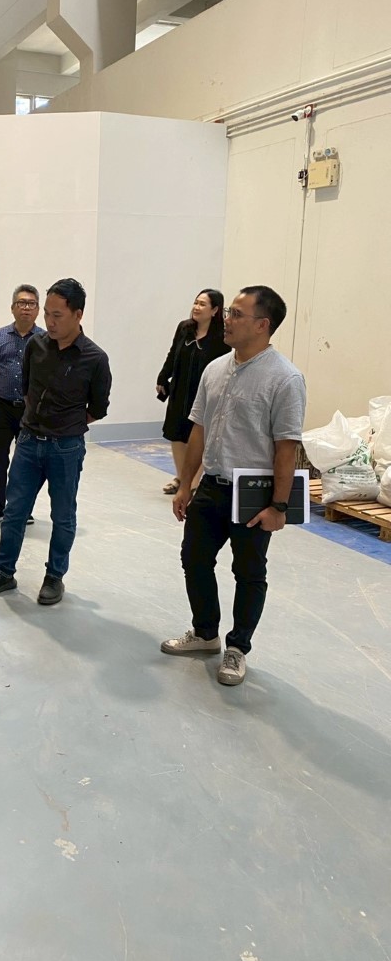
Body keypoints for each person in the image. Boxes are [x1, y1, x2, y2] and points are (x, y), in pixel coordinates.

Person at [161, 285, 306, 686]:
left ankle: (237, 647)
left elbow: (286, 449)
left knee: (249, 572)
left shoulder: (285, 378)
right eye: (229, 313)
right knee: (194, 558)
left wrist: (279, 506)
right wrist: (186, 484)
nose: (228, 319)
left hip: (254, 491)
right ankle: (205, 633)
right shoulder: (215, 369)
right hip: (212, 484)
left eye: (237, 314)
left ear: (262, 325)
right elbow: (198, 431)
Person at [0, 278, 112, 606]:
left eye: (57, 315)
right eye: (48, 315)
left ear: (78, 314)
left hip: (65, 448)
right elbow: (27, 389)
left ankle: (54, 577)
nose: (49, 322)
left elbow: (98, 408)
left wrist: (65, 425)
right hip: (28, 442)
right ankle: (3, 572)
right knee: (14, 511)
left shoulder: (95, 358)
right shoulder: (36, 347)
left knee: (63, 516)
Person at [0, 284, 43, 527]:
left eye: (31, 304)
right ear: (13, 308)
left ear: (38, 309)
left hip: (31, 411)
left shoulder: (45, 339)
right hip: (2, 407)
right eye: (21, 303)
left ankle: (21, 508)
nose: (26, 308)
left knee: (27, 462)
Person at [156, 290, 229, 494]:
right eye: (196, 303)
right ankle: (182, 478)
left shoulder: (221, 337)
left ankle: (194, 483)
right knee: (176, 433)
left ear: (215, 310)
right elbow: (173, 354)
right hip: (180, 389)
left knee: (198, 437)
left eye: (202, 304)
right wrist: (163, 376)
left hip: (204, 393)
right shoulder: (184, 328)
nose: (196, 307)